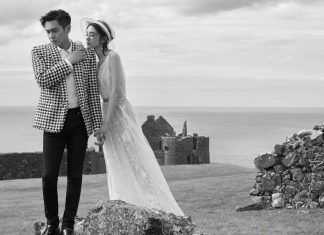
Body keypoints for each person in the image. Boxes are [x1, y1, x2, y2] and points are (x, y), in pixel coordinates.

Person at [81, 18, 184, 216]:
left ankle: (154, 209)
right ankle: (123, 208)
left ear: (103, 38)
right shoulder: (94, 63)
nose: (88, 37)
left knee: (135, 160)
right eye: (87, 34)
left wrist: (105, 124)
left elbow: (117, 93)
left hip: (119, 111)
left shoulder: (113, 57)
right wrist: (98, 125)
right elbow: (94, 95)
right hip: (105, 112)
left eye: (92, 34)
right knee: (115, 161)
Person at [31, 10, 102, 235]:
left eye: (55, 30)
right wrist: (68, 62)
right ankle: (52, 223)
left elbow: (92, 91)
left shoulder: (86, 53)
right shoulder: (39, 51)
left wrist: (98, 124)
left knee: (75, 175)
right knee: (49, 175)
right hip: (52, 121)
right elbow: (43, 80)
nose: (50, 35)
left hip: (79, 121)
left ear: (67, 29)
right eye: (47, 31)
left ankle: (68, 224)